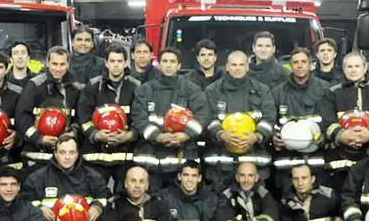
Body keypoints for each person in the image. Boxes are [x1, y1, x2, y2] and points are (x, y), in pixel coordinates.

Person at [23, 135, 109, 221]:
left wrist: (97, 206)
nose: (67, 157)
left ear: (77, 154)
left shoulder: (92, 177)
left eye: (71, 152)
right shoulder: (38, 178)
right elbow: (25, 200)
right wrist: (39, 208)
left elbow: (104, 195)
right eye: (62, 152)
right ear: (55, 153)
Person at [131, 47, 209, 192]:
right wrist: (158, 136)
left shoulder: (192, 90)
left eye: (172, 61)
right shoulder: (144, 90)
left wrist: (185, 134)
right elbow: (139, 118)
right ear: (158, 64)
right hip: (150, 159)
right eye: (165, 61)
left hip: (183, 158)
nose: (168, 65)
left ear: (179, 65)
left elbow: (203, 115)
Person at [203, 51, 276, 192]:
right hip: (220, 166)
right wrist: (221, 134)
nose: (237, 68)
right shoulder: (212, 91)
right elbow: (207, 117)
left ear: (247, 67)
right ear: (227, 67)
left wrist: (256, 136)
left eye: (241, 65)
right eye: (234, 65)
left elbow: (269, 118)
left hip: (254, 161)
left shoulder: (262, 90)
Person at [319, 51, 369, 186]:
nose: (353, 70)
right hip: (339, 157)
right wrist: (342, 135)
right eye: (349, 67)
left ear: (365, 68)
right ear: (343, 69)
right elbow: (327, 121)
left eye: (357, 66)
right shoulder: (332, 93)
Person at [76, 44, 139, 190]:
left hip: (125, 155)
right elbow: (83, 117)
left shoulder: (136, 87)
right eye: (112, 61)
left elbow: (140, 117)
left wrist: (130, 135)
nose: (116, 65)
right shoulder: (92, 86)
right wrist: (95, 134)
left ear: (125, 63)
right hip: (96, 156)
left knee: (124, 197)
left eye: (119, 61)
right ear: (106, 63)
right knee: (95, 194)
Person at [269, 47, 330, 195]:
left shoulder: (325, 89)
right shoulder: (278, 92)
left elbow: (331, 119)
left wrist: (325, 136)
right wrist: (273, 137)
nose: (300, 65)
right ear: (290, 65)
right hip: (287, 160)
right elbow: (270, 119)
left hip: (317, 158)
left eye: (303, 61)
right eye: (295, 62)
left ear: (311, 64)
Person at [15, 46, 84, 168]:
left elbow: (81, 116)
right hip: (35, 154)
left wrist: (72, 134)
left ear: (68, 64)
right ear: (47, 63)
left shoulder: (75, 88)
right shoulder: (34, 85)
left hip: (65, 154)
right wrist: (39, 138)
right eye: (54, 64)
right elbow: (22, 117)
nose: (58, 69)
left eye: (62, 64)